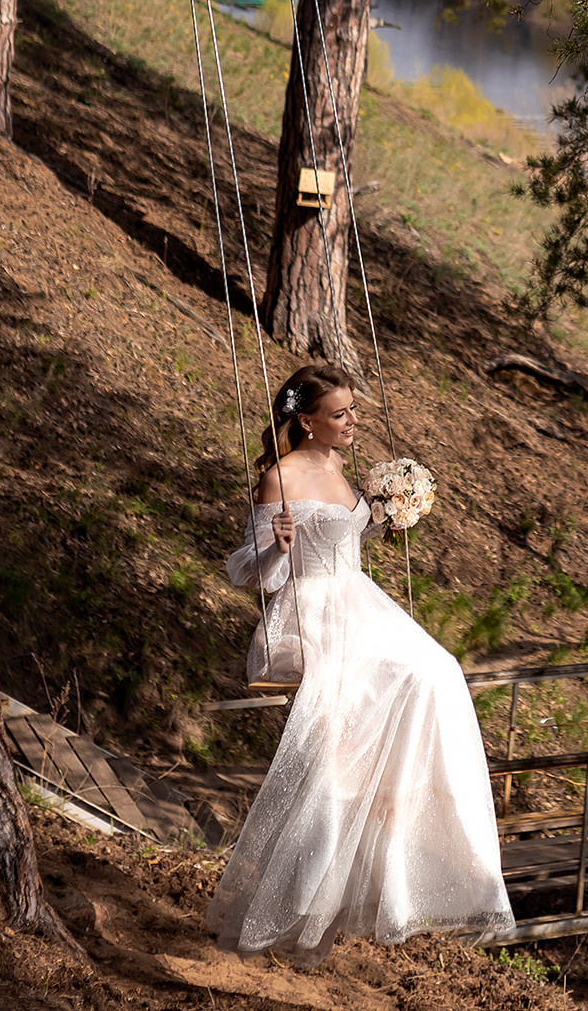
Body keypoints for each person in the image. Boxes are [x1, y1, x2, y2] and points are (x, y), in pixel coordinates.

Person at [205, 365, 513, 957]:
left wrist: (388, 509)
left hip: (359, 601)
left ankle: (430, 822)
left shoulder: (340, 468)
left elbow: (346, 540)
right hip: (313, 611)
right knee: (339, 754)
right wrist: (277, 545)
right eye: (341, 413)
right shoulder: (281, 478)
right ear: (306, 421)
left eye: (353, 411)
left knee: (437, 670)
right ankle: (295, 903)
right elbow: (249, 572)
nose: (353, 422)